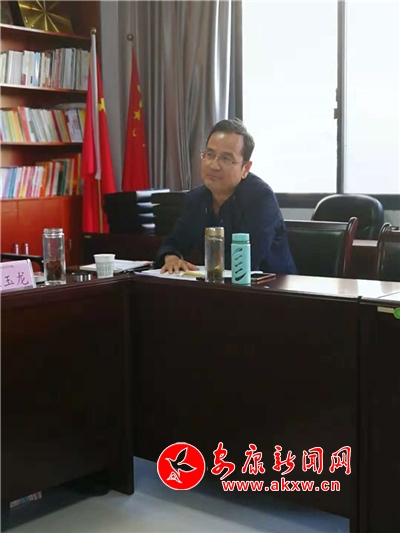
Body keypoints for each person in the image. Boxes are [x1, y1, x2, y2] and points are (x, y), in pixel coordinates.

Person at [156, 118, 297, 275]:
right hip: (215, 284)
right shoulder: (195, 199)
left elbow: (247, 262)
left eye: (226, 159)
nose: (214, 165)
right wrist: (171, 257)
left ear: (245, 168)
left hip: (272, 286)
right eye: (210, 154)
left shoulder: (261, 199)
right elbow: (173, 242)